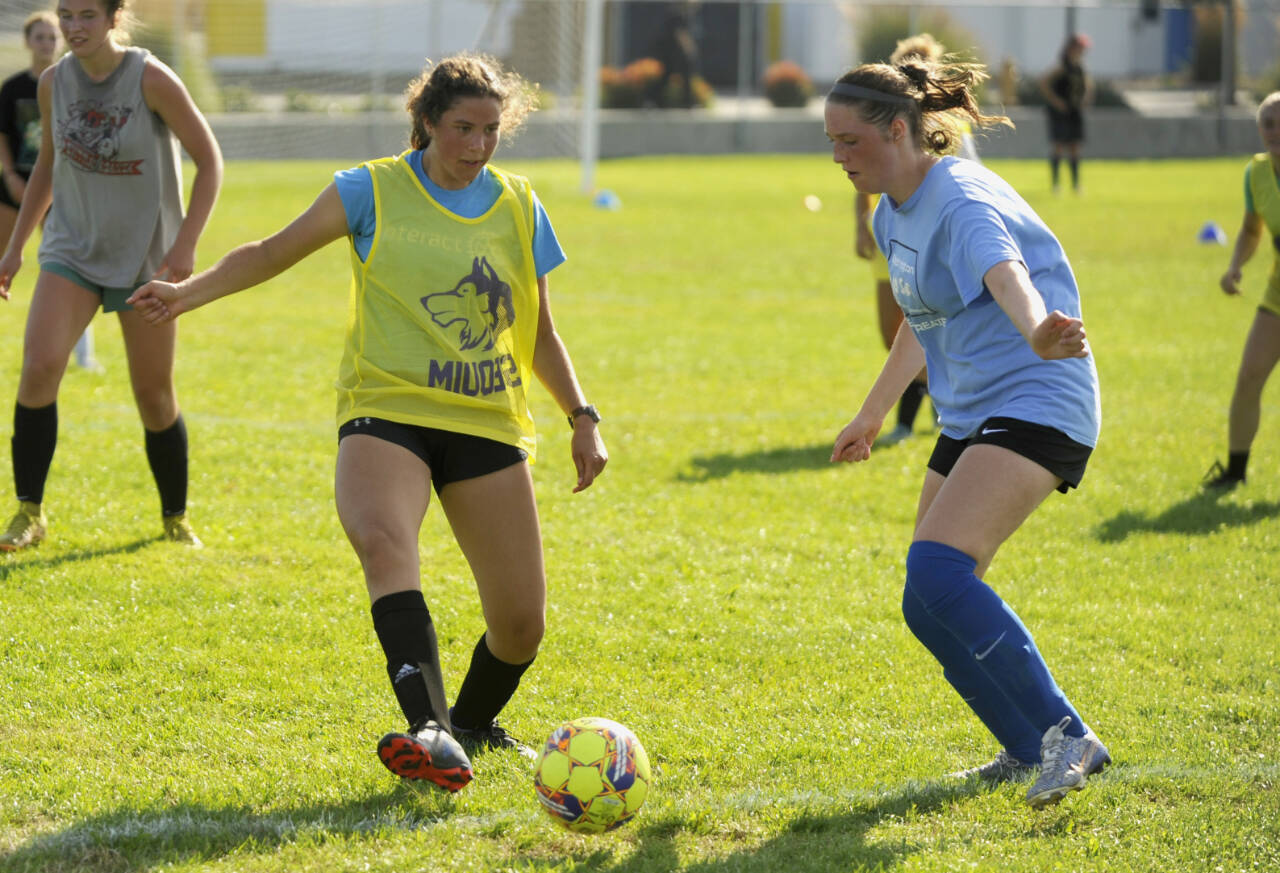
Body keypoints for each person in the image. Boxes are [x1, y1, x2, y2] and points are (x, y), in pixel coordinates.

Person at [128, 53, 608, 792]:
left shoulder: (519, 205)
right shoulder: (369, 189)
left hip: (486, 420)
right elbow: (271, 251)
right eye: (463, 128)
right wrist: (185, 294)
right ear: (427, 121)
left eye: (490, 130)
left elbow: (539, 329)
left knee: (521, 625)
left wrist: (581, 415)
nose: (478, 145)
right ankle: (429, 727)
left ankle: (467, 725)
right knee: (385, 546)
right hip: (386, 410)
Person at [825, 55, 1110, 808]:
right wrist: (871, 413)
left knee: (940, 572)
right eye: (831, 142)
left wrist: (1038, 330)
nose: (839, 157)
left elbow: (1005, 273)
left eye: (851, 141)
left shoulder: (959, 198)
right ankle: (1024, 746)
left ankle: (1068, 735)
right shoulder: (892, 211)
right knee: (926, 601)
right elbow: (922, 322)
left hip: (1038, 394)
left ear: (899, 129)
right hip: (975, 410)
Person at [0, 0, 223, 551]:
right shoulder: (53, 83)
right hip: (72, 248)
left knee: (153, 394)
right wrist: (16, 247)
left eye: (86, 16)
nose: (73, 27)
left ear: (114, 18)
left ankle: (175, 517)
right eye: (66, 15)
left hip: (145, 259)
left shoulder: (151, 78)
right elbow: (47, 164)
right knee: (39, 368)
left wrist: (185, 243)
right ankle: (29, 511)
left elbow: (209, 160)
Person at [852, 33, 979, 447]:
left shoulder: (950, 126)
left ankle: (927, 416)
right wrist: (860, 223)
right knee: (893, 335)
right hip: (889, 232)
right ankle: (935, 409)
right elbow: (860, 166)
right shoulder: (879, 119)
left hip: (930, 239)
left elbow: (968, 180)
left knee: (923, 330)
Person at [0, 11, 99, 372]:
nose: (46, 43)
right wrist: (10, 175)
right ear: (28, 41)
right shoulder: (13, 88)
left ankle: (84, 355)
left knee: (69, 264)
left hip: (61, 188)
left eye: (52, 37)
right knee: (3, 259)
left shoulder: (73, 82)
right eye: (40, 37)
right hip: (16, 187)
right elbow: (3, 135)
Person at [1204, 92, 1280, 490]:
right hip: (1277, 295)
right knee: (1249, 376)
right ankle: (1235, 471)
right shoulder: (1257, 173)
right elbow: (1252, 230)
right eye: (1269, 124)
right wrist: (1235, 266)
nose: (1276, 131)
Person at [1039, 33, 1092, 194]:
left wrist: (1085, 99)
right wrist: (1057, 102)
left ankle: (1076, 185)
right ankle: (1056, 184)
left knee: (1075, 147)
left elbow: (1087, 85)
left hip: (1074, 111)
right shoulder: (1062, 67)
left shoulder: (1080, 67)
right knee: (1059, 146)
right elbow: (1044, 83)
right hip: (1060, 113)